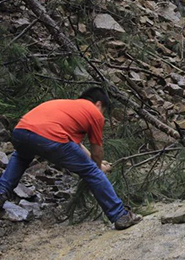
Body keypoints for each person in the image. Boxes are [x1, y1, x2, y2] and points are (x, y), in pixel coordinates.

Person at [0, 87, 142, 230]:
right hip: (51, 137)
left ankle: (1, 192)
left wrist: (93, 161)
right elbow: (97, 151)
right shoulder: (94, 112)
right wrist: (98, 167)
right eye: (103, 111)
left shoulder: (66, 106)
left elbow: (76, 146)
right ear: (98, 104)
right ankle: (120, 215)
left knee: (21, 157)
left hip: (20, 132)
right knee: (92, 172)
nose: (102, 115)